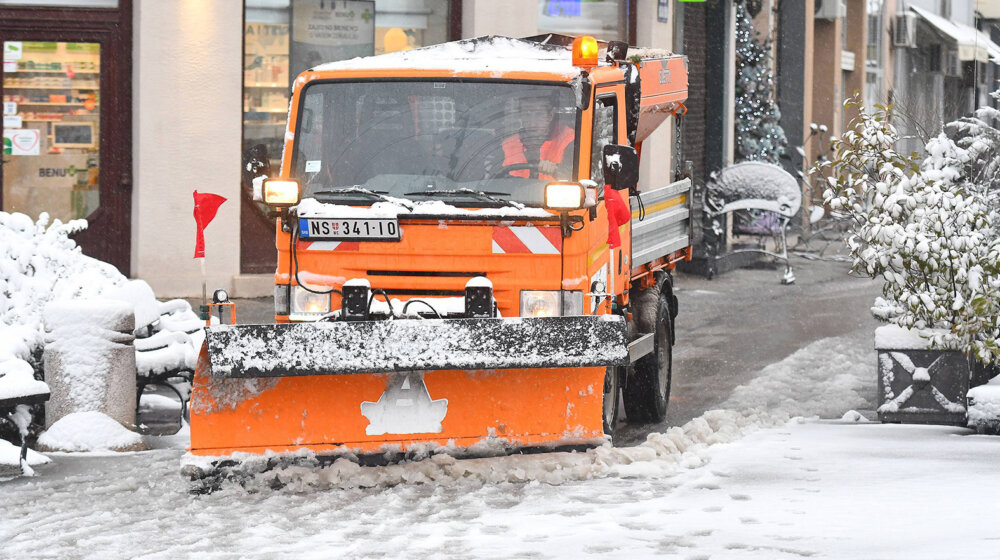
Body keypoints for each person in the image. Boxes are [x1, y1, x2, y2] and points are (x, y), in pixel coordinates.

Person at [501, 96, 574, 180]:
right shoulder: (507, 145)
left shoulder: (570, 141)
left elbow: (575, 178)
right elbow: (494, 180)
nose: (532, 123)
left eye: (539, 114)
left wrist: (558, 171)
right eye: (527, 114)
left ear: (550, 115)